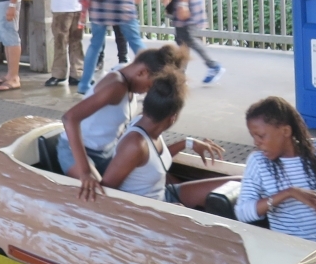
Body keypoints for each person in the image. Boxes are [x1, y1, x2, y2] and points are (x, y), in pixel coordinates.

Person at [58, 45, 186, 197]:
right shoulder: (117, 86)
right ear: (142, 72)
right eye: (149, 86)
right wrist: (85, 172)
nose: (147, 92)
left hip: (105, 152)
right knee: (101, 195)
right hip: (75, 151)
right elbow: (69, 118)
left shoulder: (129, 76)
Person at [236, 97, 316, 243]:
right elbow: (242, 212)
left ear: (285, 131)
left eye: (261, 136)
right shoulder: (258, 162)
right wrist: (289, 193)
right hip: (288, 249)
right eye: (253, 136)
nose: (256, 142)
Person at [94, 67, 229, 204]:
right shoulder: (134, 144)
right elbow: (106, 191)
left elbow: (153, 161)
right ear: (173, 117)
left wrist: (188, 143)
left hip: (165, 195)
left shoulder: (148, 123)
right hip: (150, 210)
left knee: (235, 183)